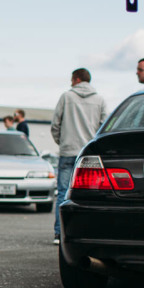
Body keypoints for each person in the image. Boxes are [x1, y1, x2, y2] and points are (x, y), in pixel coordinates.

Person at [50, 67, 108, 245]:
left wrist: (62, 142)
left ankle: (60, 234)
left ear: (76, 79)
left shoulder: (66, 97)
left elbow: (55, 124)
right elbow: (104, 126)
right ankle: (87, 233)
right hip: (88, 155)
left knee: (63, 194)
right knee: (89, 194)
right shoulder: (100, 100)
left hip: (68, 151)